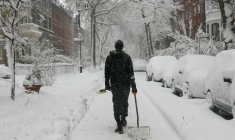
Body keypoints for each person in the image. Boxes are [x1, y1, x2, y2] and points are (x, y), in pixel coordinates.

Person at [104, 40, 137, 134]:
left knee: (116, 102)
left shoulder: (109, 58)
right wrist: (133, 85)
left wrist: (107, 84)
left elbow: (106, 73)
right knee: (124, 102)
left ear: (115, 47)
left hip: (115, 84)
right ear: (122, 47)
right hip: (125, 84)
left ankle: (118, 122)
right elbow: (131, 73)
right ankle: (123, 119)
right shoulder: (127, 57)